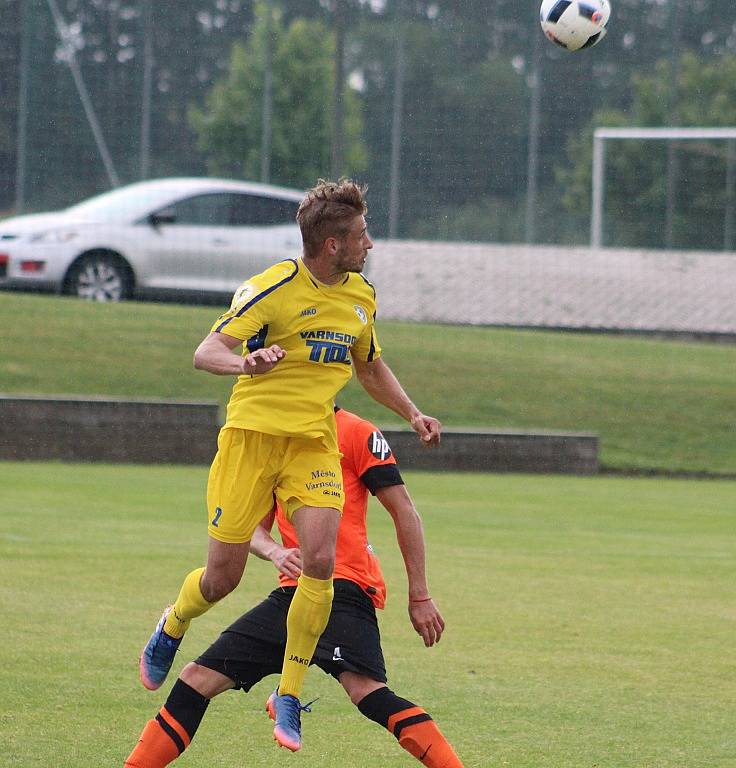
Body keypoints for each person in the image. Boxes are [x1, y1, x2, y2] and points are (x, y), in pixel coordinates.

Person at [139, 179, 442, 751]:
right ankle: (174, 622)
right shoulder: (271, 288)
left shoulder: (361, 297)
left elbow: (370, 366)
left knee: (321, 561)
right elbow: (206, 353)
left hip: (311, 443)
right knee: (220, 579)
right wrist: (247, 363)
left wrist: (413, 411)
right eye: (360, 235)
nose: (369, 244)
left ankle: (289, 693)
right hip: (251, 442)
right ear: (332, 244)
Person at [125, 407, 463, 768]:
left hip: (346, 589)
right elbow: (251, 529)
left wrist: (420, 594)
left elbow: (404, 510)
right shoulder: (271, 435)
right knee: (196, 679)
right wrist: (275, 551)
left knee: (367, 693)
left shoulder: (357, 432)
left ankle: (287, 692)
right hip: (291, 594)